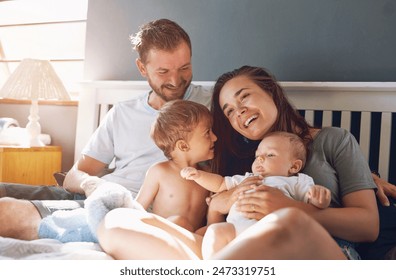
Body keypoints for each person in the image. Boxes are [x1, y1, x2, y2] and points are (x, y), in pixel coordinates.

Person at [0, 18, 212, 240]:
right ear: (142, 67)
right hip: (95, 193)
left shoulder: (213, 107)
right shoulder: (122, 113)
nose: (176, 80)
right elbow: (74, 175)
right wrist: (94, 185)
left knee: (8, 213)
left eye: (184, 68)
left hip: (122, 209)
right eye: (163, 71)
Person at [207, 65, 396, 259]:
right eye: (229, 111)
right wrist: (216, 206)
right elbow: (215, 234)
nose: (238, 111)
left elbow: (368, 226)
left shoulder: (333, 140)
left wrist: (291, 208)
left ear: (271, 92)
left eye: (244, 96)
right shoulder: (239, 162)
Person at [180, 131, 331, 258]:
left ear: (294, 166)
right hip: (235, 231)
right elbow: (220, 184)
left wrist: (321, 199)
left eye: (270, 155)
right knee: (215, 231)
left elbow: (314, 206)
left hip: (271, 233)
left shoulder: (296, 181)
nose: (260, 158)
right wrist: (198, 176)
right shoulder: (247, 178)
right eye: (257, 155)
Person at [135, 99, 216, 234]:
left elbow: (212, 216)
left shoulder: (207, 175)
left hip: (192, 239)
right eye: (207, 133)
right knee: (179, 221)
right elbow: (136, 210)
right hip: (163, 237)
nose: (215, 137)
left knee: (215, 231)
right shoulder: (160, 172)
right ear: (183, 145)